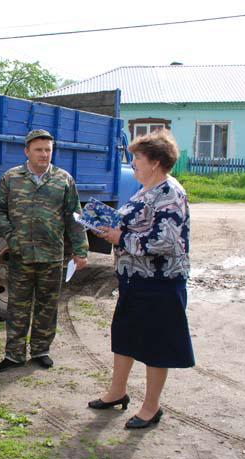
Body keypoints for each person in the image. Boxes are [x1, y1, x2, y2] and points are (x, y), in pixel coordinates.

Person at [87, 129, 194, 429]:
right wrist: (106, 229)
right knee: (125, 337)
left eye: (137, 158)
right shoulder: (145, 189)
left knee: (155, 345)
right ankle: (117, 392)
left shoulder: (170, 193)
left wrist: (121, 238)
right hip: (134, 281)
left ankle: (151, 407)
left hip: (160, 284)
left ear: (156, 162)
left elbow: (166, 242)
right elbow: (134, 226)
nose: (132, 163)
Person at [0, 129, 88, 372]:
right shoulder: (11, 178)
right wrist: (12, 236)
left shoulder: (63, 180)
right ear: (27, 151)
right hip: (21, 255)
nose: (44, 155)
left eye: (48, 150)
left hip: (52, 255)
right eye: (39, 150)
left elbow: (74, 217)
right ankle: (14, 355)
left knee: (47, 305)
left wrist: (80, 249)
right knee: (17, 307)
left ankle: (41, 350)